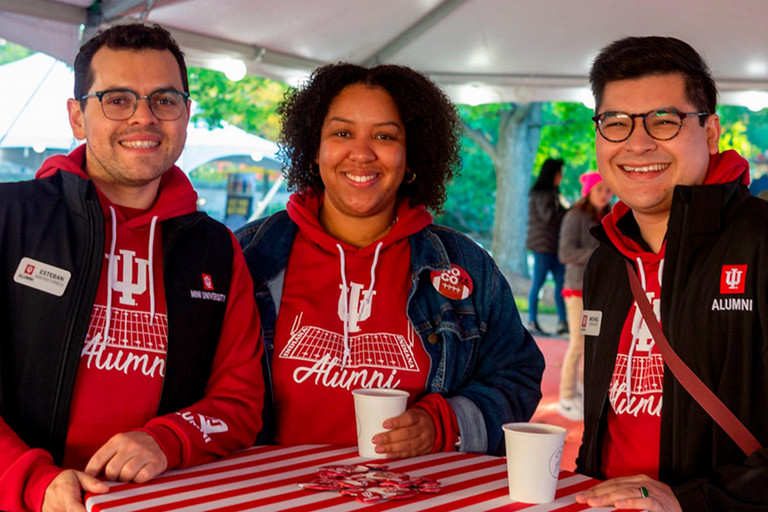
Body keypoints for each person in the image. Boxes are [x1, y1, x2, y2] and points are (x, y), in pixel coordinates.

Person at [0, 24, 264, 512]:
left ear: (186, 114)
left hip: (158, 502)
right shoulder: (9, 218)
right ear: (77, 117)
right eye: (117, 99)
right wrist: (33, 480)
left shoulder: (216, 249)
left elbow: (240, 404)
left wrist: (169, 439)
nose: (143, 117)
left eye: (164, 100)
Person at [236, 63, 544, 459]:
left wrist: (444, 424)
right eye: (342, 133)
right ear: (315, 149)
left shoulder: (464, 265)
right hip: (273, 494)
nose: (362, 153)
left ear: (411, 156)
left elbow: (517, 375)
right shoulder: (249, 254)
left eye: (384, 136)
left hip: (417, 494)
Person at [575, 36, 768, 511]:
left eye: (664, 121)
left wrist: (693, 501)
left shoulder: (760, 243)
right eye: (615, 123)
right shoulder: (606, 259)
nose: (638, 143)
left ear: (710, 131)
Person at [556, 171, 612, 421]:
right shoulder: (574, 216)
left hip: (599, 289)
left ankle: (580, 390)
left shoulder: (610, 216)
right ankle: (565, 397)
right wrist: (599, 254)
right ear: (588, 191)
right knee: (578, 343)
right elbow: (565, 252)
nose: (604, 194)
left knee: (593, 343)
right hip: (577, 290)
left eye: (608, 190)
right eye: (599, 189)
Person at [525, 158, 568, 337]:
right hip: (543, 246)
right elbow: (549, 216)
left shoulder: (553, 193)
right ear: (553, 173)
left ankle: (562, 321)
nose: (561, 176)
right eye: (559, 173)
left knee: (561, 284)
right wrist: (569, 212)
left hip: (554, 246)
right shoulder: (543, 194)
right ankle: (532, 321)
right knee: (538, 283)